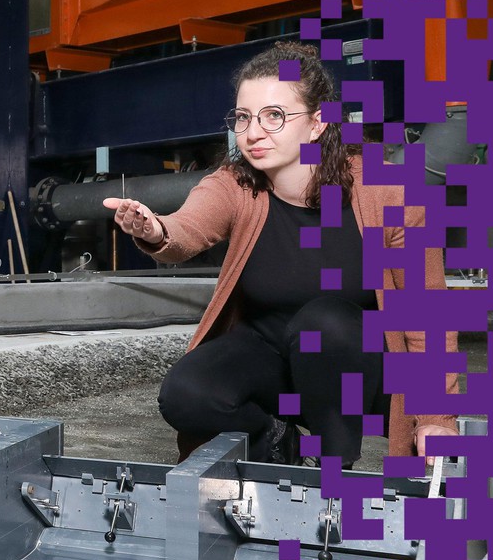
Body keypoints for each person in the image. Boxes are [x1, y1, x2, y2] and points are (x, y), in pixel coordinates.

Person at [104, 42, 458, 467]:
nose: (253, 133)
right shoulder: (235, 185)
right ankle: (274, 439)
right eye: (243, 117)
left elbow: (427, 315)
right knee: (187, 394)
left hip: (357, 369)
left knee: (324, 321)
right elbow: (188, 227)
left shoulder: (388, 191)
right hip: (274, 362)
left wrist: (437, 417)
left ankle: (332, 467)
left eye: (274, 116)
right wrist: (156, 228)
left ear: (317, 123)